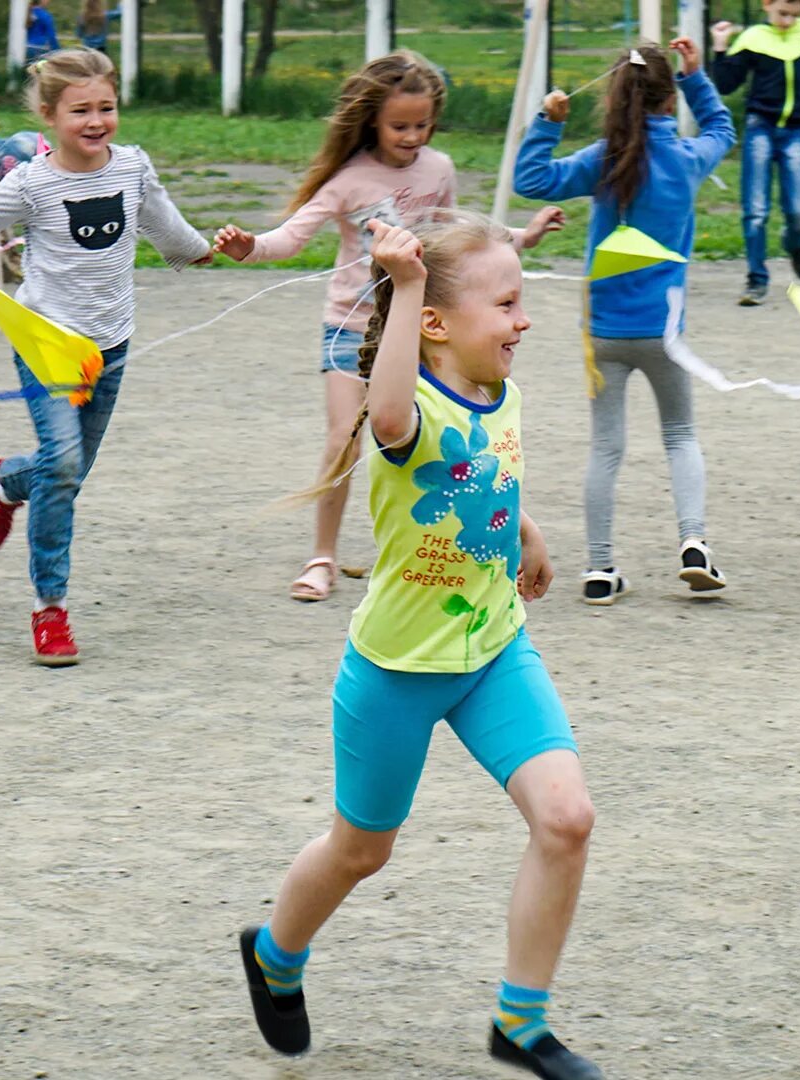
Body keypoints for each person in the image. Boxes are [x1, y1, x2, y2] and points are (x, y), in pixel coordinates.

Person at [239, 212, 601, 1080]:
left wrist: (529, 532)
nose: (524, 320)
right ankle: (275, 954)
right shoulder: (407, 410)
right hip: (397, 671)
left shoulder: (500, 391)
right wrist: (403, 286)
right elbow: (395, 412)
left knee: (567, 819)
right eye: (507, 304)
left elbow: (485, 473)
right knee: (362, 850)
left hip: (491, 653)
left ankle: (521, 1024)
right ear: (436, 324)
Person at [0, 49, 215, 664]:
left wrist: (204, 249)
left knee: (65, 473)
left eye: (106, 107)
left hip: (112, 347)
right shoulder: (33, 182)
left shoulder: (131, 168)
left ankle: (7, 481)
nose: (96, 120)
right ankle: (50, 609)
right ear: (50, 116)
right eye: (81, 110)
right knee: (64, 465)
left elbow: (165, 226)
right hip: (46, 344)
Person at [211, 51, 563, 603]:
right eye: (400, 125)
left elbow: (464, 240)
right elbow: (290, 237)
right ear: (372, 119)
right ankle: (321, 556)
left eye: (423, 124)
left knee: (434, 438)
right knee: (344, 438)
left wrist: (527, 236)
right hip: (350, 328)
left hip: (418, 328)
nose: (413, 135)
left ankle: (418, 547)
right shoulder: (350, 180)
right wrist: (249, 247)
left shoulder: (439, 169)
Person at [513, 39, 735, 604]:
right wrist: (696, 77)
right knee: (681, 435)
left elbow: (531, 181)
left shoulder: (602, 159)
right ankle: (693, 543)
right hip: (664, 332)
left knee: (605, 448)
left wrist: (547, 122)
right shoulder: (687, 159)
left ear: (615, 97)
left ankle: (599, 569)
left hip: (603, 333)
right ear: (668, 100)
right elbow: (723, 131)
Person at [709, 0, 800, 305]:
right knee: (755, 211)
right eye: (782, 14)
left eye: (795, 15)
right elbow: (726, 84)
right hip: (761, 129)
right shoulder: (753, 38)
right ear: (767, 5)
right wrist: (720, 46)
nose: (788, 21)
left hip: (796, 132)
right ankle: (756, 280)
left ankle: (795, 243)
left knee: (798, 209)